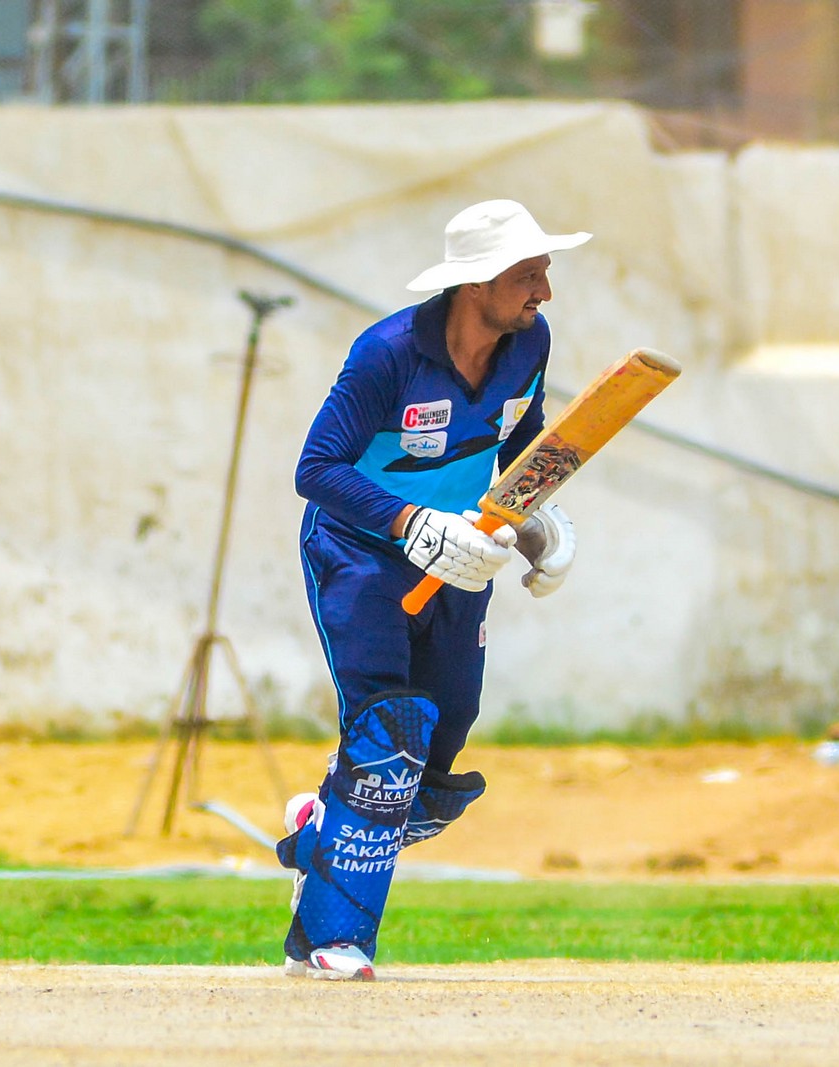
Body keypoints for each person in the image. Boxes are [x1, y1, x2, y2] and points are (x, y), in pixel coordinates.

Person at [277, 200, 589, 980]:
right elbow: (316, 470)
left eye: (544, 272)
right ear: (477, 281)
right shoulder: (386, 354)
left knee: (442, 743)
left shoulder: (530, 341)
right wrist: (411, 521)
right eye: (528, 274)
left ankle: (322, 830)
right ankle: (329, 940)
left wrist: (536, 517)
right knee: (389, 732)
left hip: (462, 556)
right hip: (361, 553)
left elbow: (521, 437)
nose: (544, 291)